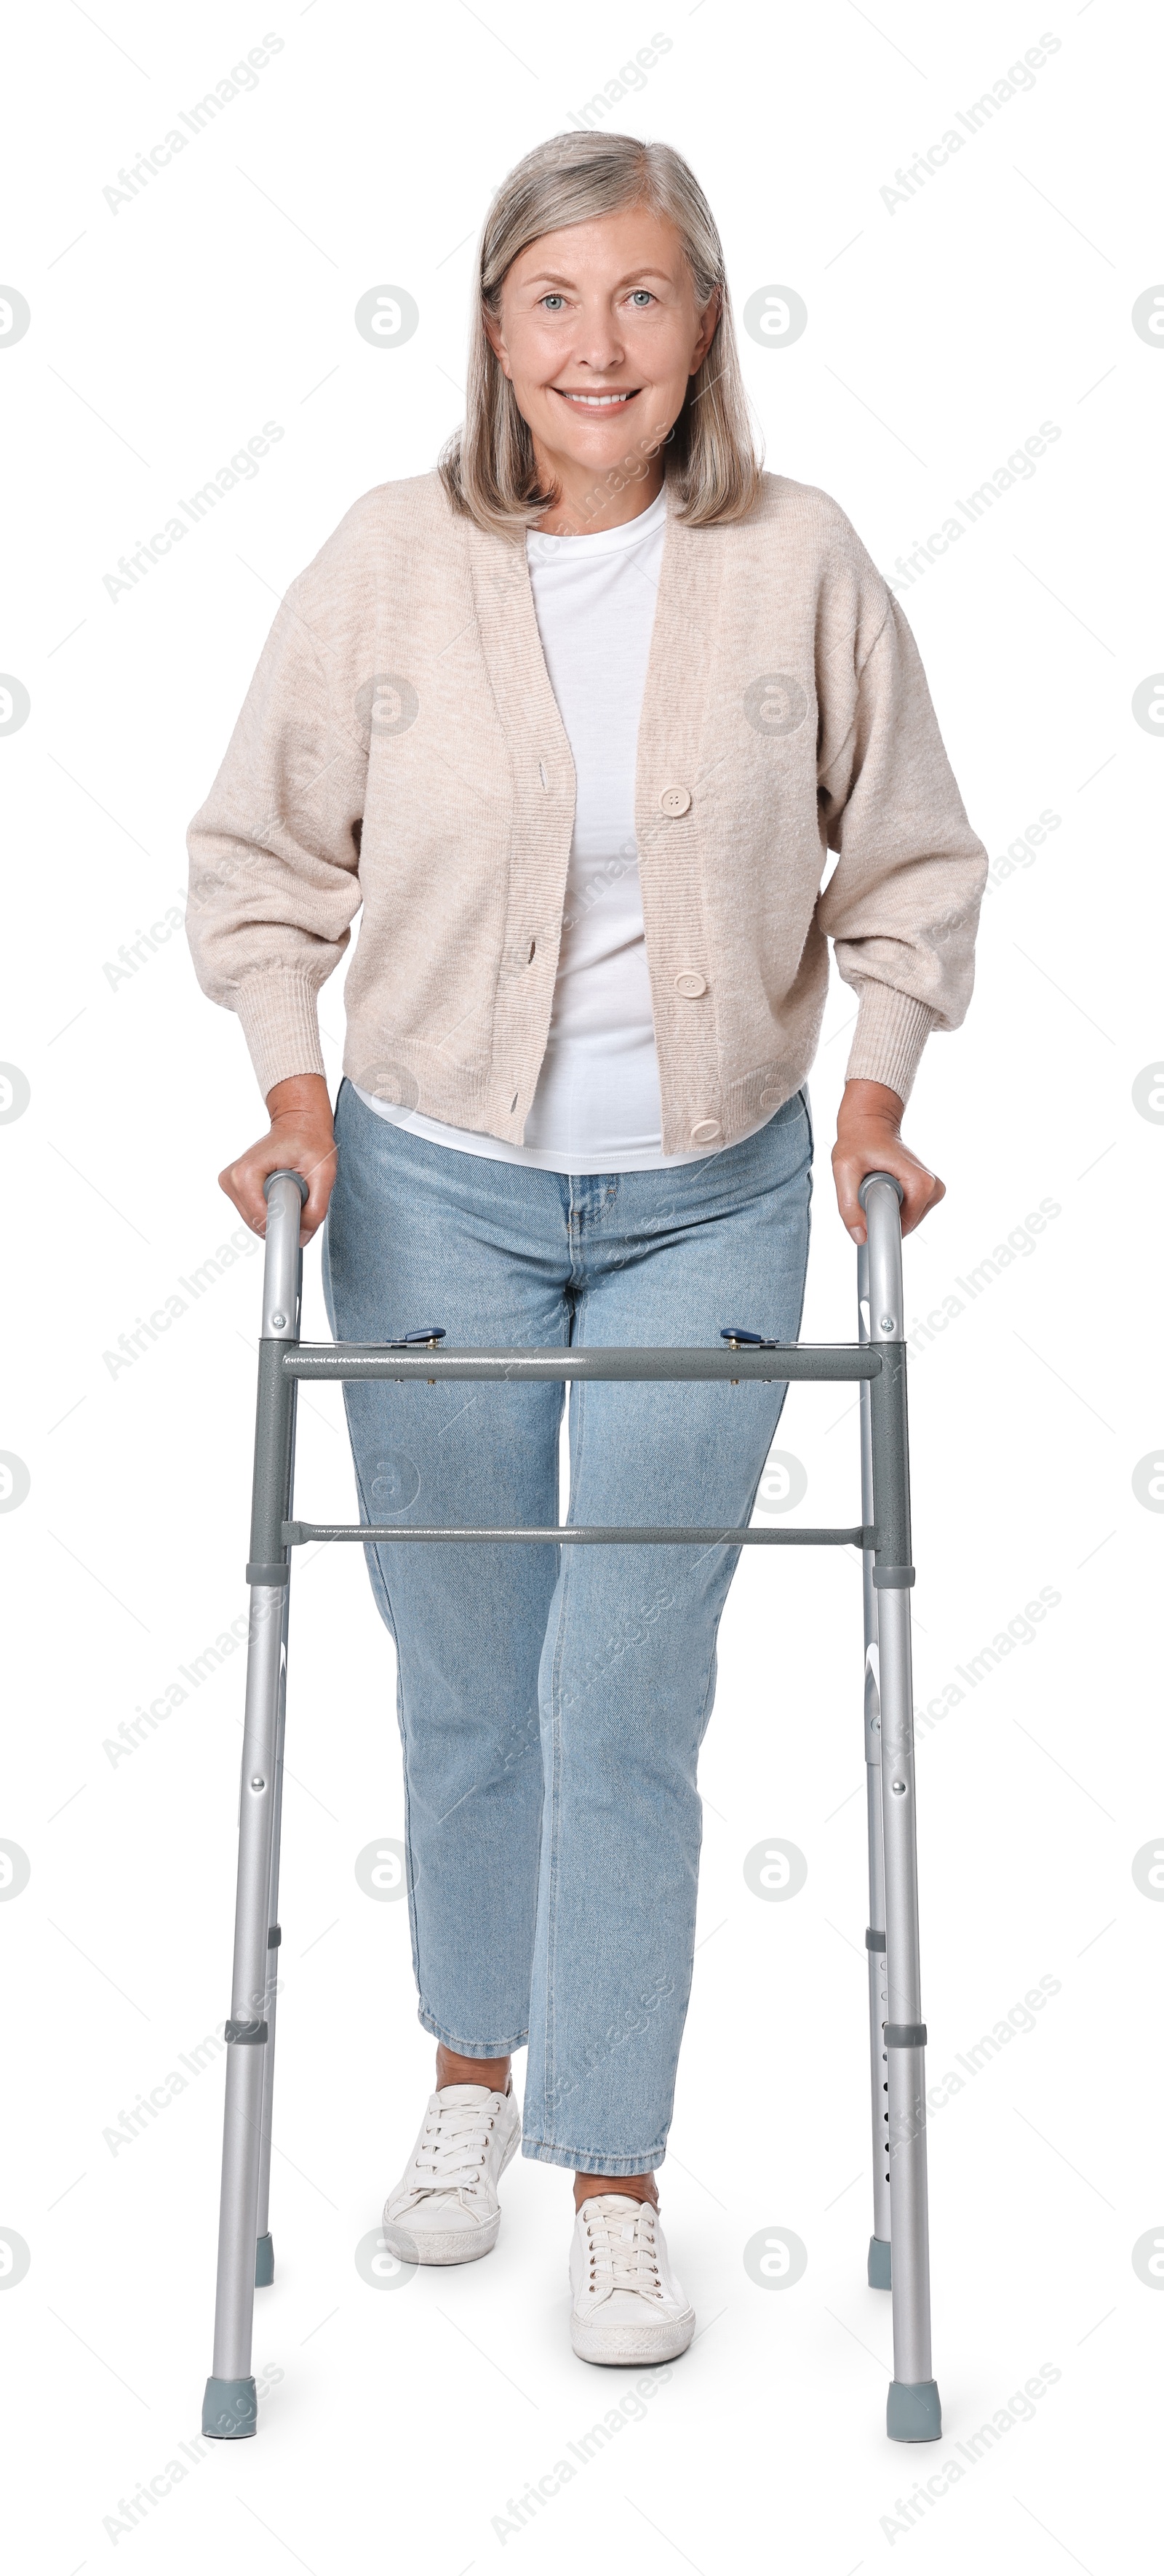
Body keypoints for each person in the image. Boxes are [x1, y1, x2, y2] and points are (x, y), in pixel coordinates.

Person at [187, 130, 986, 2369]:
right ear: (491, 328)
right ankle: (472, 2074)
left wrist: (876, 1097)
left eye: (642, 299)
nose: (597, 345)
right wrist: (283, 1088)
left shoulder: (801, 562)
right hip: (425, 1185)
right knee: (470, 1680)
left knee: (622, 1686)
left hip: (713, 1201)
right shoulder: (386, 561)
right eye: (555, 299)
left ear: (703, 326)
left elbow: (914, 863)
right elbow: (256, 858)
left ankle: (614, 2169)